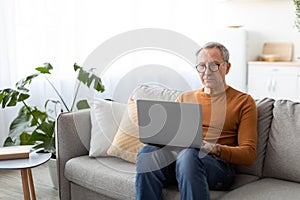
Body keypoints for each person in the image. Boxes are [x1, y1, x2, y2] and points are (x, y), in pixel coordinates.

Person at [135, 42, 257, 200]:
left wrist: (214, 148)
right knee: (147, 153)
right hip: (181, 162)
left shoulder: (244, 102)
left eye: (214, 65)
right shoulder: (186, 98)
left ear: (227, 67)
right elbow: (172, 139)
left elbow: (248, 154)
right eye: (201, 66)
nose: (207, 72)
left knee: (190, 154)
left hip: (218, 168)